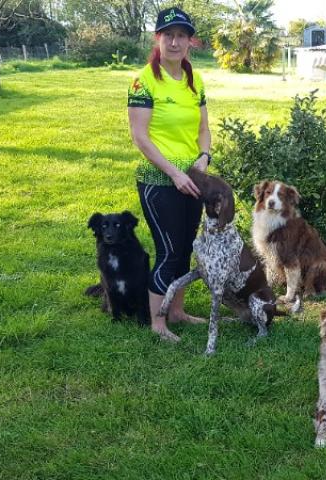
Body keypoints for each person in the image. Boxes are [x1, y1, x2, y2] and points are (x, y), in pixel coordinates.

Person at [127, 7, 211, 342]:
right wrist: (175, 173)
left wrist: (203, 157)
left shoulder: (195, 79)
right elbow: (140, 137)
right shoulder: (143, 80)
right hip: (158, 180)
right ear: (157, 39)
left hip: (193, 180)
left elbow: (204, 128)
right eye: (168, 35)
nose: (175, 42)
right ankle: (158, 322)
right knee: (168, 250)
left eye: (181, 36)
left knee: (187, 246)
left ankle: (177, 310)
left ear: (190, 41)